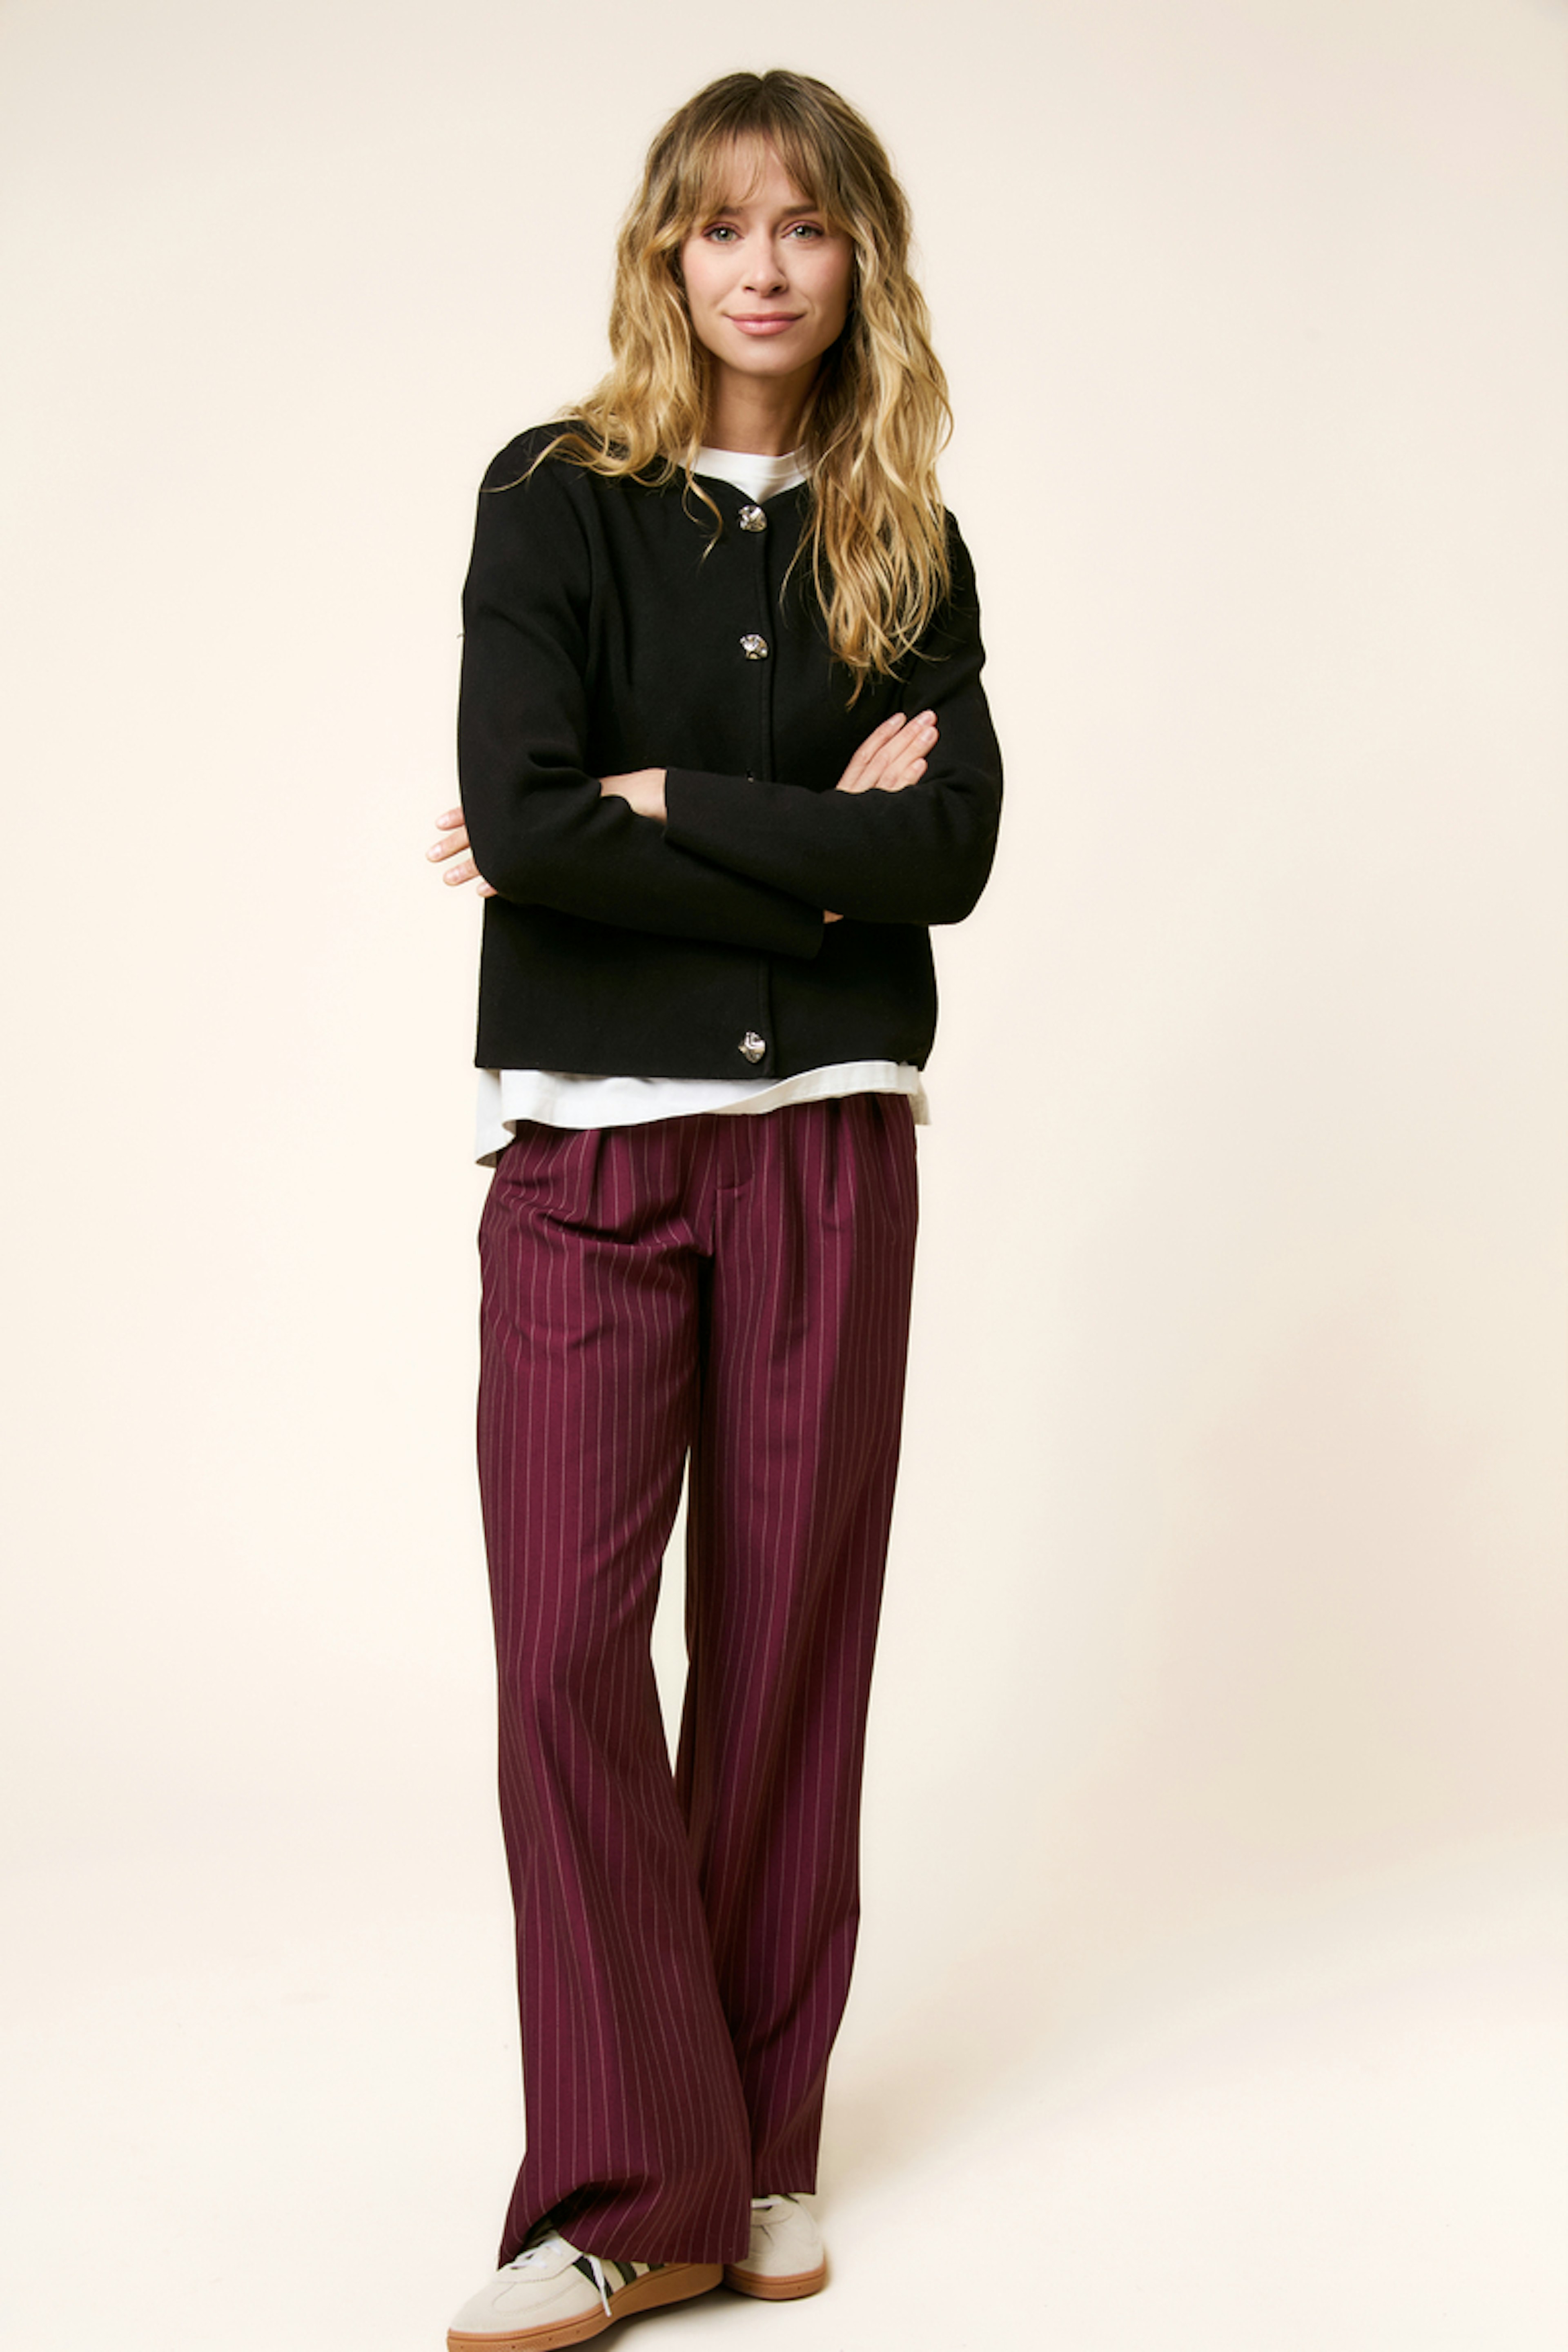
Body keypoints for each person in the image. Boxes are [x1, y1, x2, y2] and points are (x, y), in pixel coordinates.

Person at [427, 67, 1002, 2352]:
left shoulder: (906, 543)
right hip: (586, 1151)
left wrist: (666, 794)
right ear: (668, 249)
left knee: (784, 1654)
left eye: (808, 225)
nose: (765, 266)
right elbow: (523, 820)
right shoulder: (554, 497)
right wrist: (803, 845)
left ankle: (757, 2147)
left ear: (861, 260)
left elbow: (947, 856)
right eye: (725, 223)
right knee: (568, 1655)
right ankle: (622, 2189)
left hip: (829, 1153)